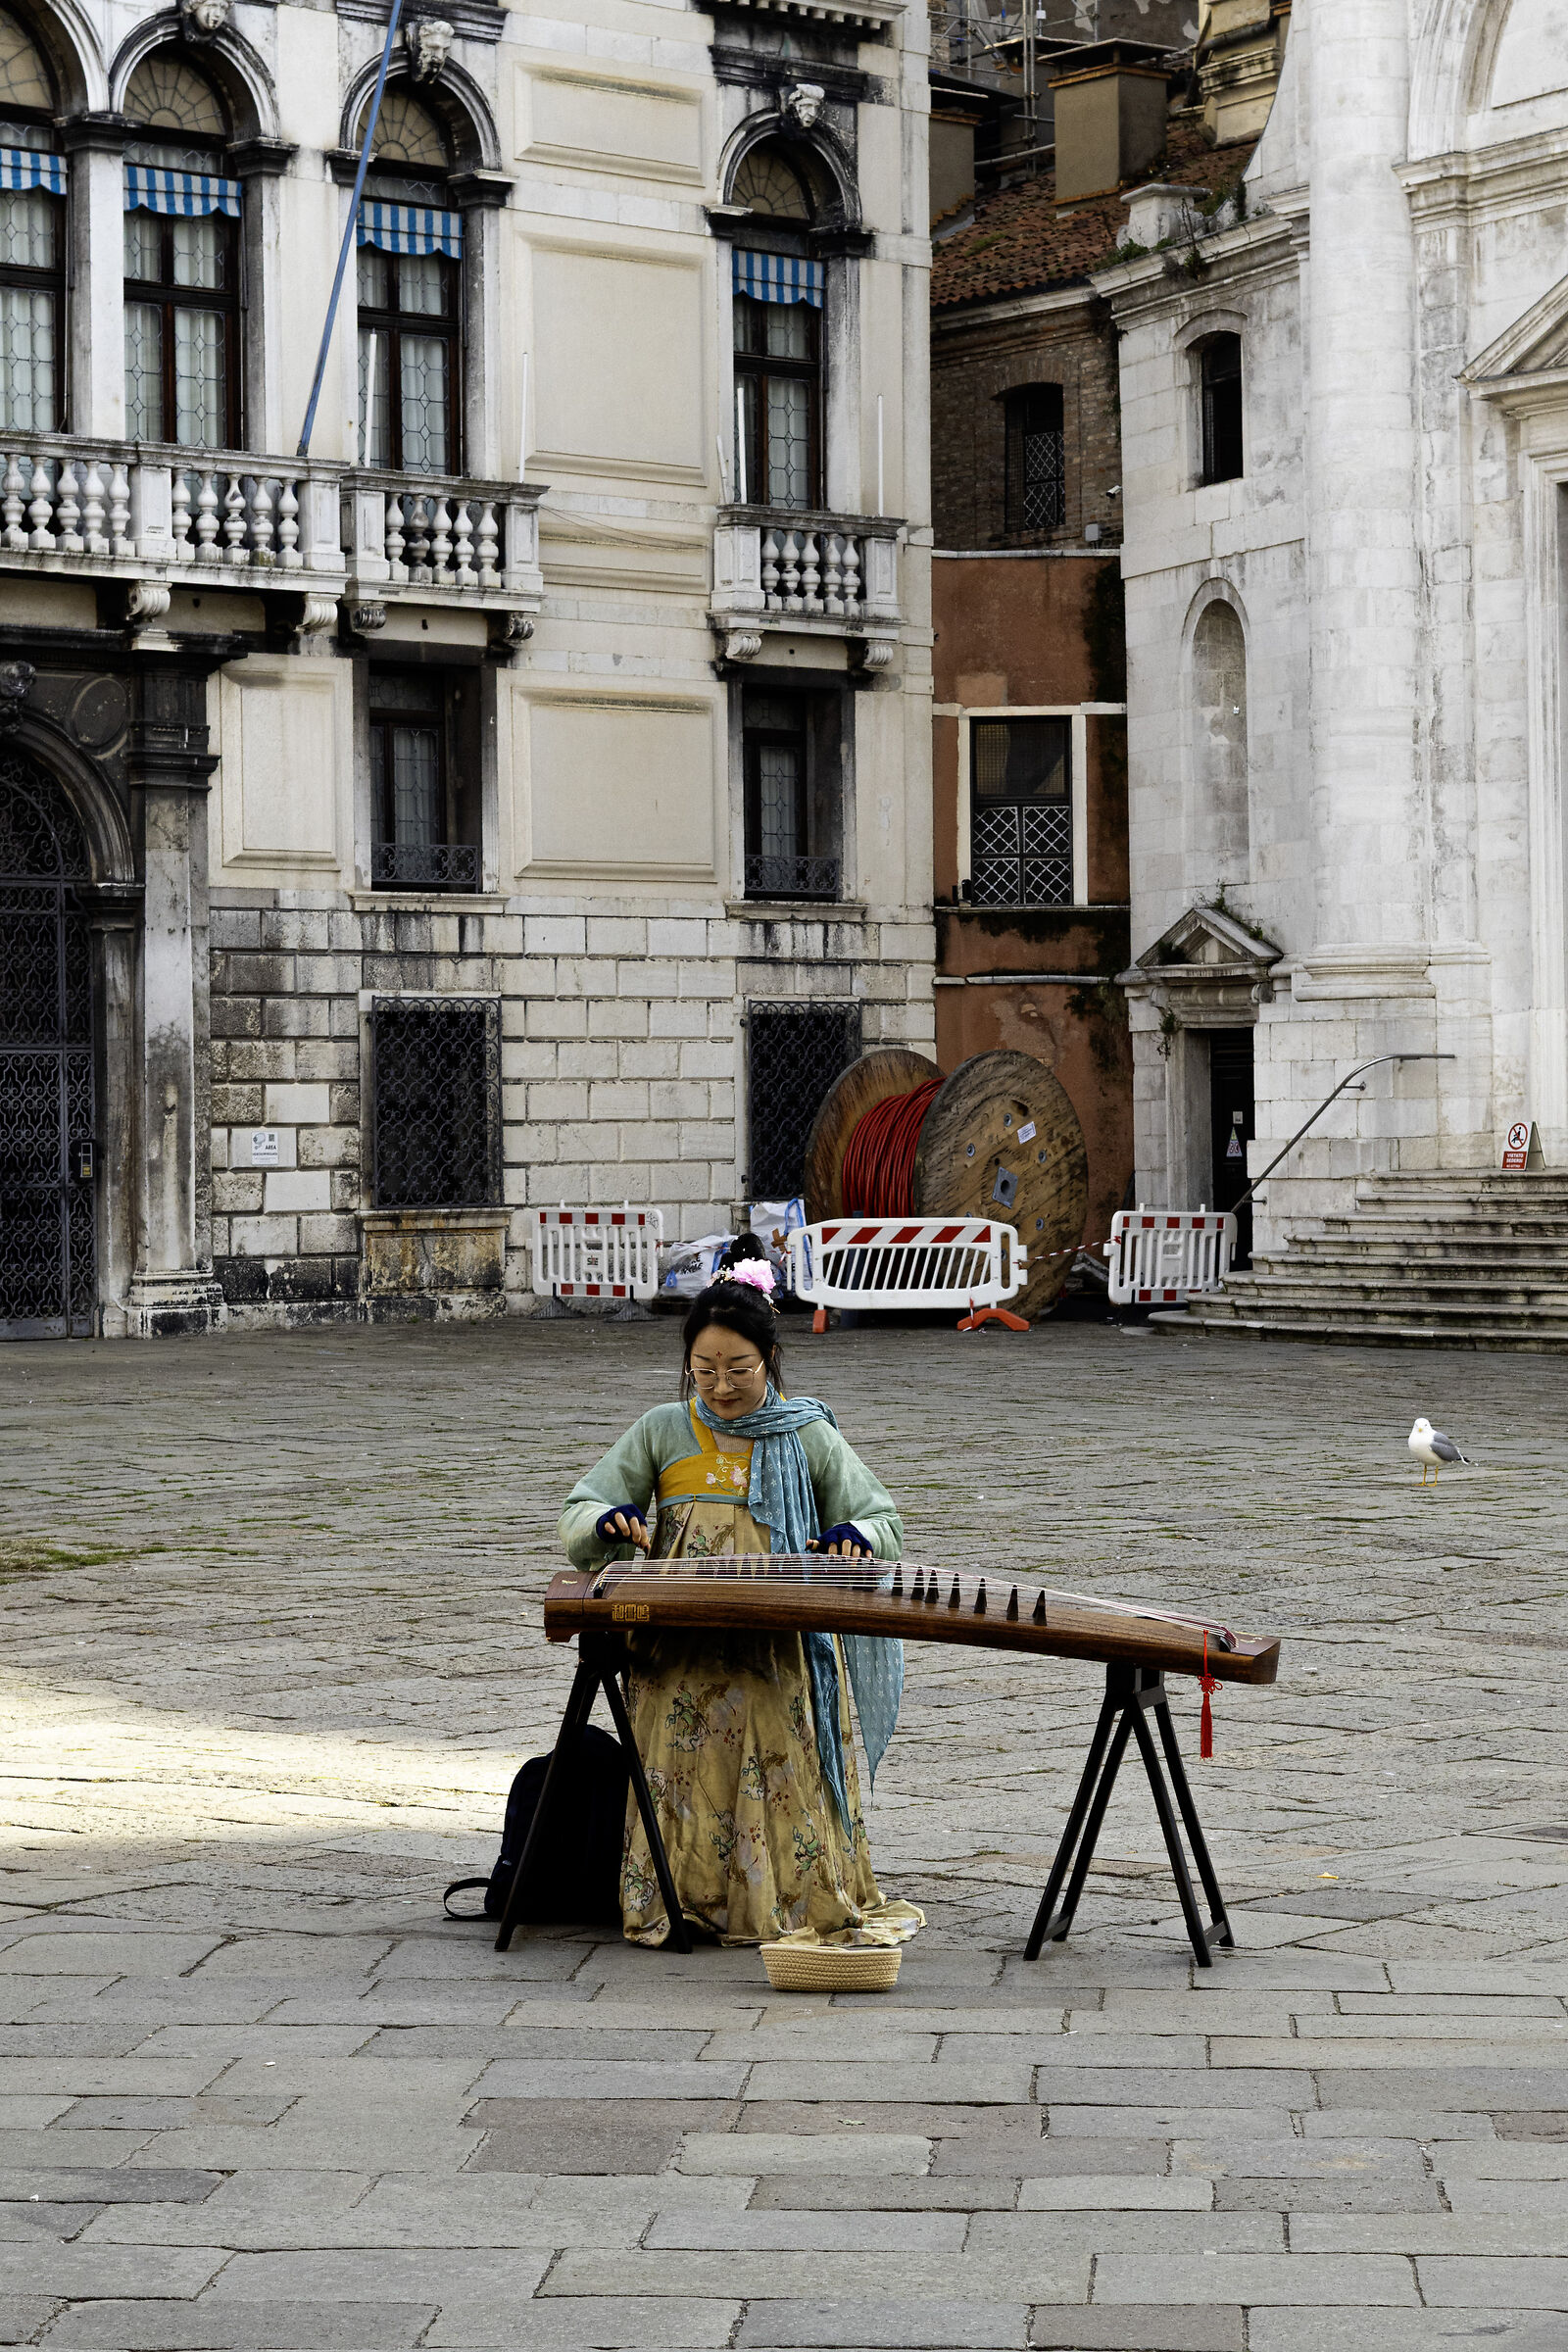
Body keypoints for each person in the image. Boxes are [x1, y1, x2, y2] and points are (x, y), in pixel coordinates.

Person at [559, 1239, 922, 1949]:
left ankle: (779, 1904)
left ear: (770, 1362)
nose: (721, 1387)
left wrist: (855, 1536)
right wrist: (607, 1522)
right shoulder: (662, 1430)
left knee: (771, 1758)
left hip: (774, 1649)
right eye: (704, 1370)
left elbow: (885, 1519)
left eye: (739, 1370)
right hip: (677, 1650)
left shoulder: (805, 1433)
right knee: (681, 1767)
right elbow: (582, 1508)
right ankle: (680, 1899)